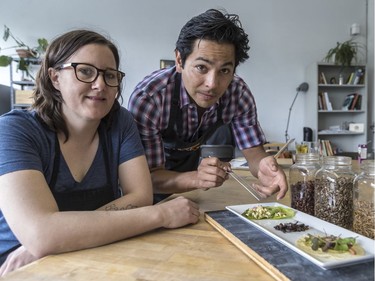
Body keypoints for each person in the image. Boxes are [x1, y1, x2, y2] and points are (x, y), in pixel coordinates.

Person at [0, 29, 199, 276]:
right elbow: (40, 234)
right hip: (17, 266)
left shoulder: (120, 122)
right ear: (54, 78)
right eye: (85, 71)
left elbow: (140, 196)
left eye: (110, 75)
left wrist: (61, 237)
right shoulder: (15, 129)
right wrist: (161, 214)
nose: (100, 84)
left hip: (91, 253)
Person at [128, 9, 288, 203]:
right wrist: (196, 177)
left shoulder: (237, 93)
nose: (212, 83)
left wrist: (264, 167)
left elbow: (254, 154)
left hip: (190, 192)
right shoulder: (150, 98)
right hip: (145, 194)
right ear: (179, 61)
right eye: (201, 67)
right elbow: (145, 178)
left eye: (225, 70)